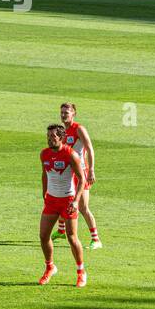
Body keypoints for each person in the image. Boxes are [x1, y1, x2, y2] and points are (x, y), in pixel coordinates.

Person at [39, 124, 87, 287]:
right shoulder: (44, 154)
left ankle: (81, 272)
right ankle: (49, 267)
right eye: (48, 136)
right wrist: (44, 193)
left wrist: (76, 200)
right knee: (43, 236)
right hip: (51, 201)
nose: (50, 139)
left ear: (61, 137)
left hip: (67, 201)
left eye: (53, 136)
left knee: (72, 238)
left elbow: (82, 179)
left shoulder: (70, 154)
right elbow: (44, 174)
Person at [58, 102, 101, 248]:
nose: (63, 115)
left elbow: (89, 148)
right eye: (62, 112)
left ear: (73, 114)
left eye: (66, 112)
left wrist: (92, 170)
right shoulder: (62, 131)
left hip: (81, 173)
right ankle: (61, 230)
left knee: (83, 207)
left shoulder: (79, 129)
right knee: (61, 201)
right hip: (68, 174)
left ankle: (96, 239)